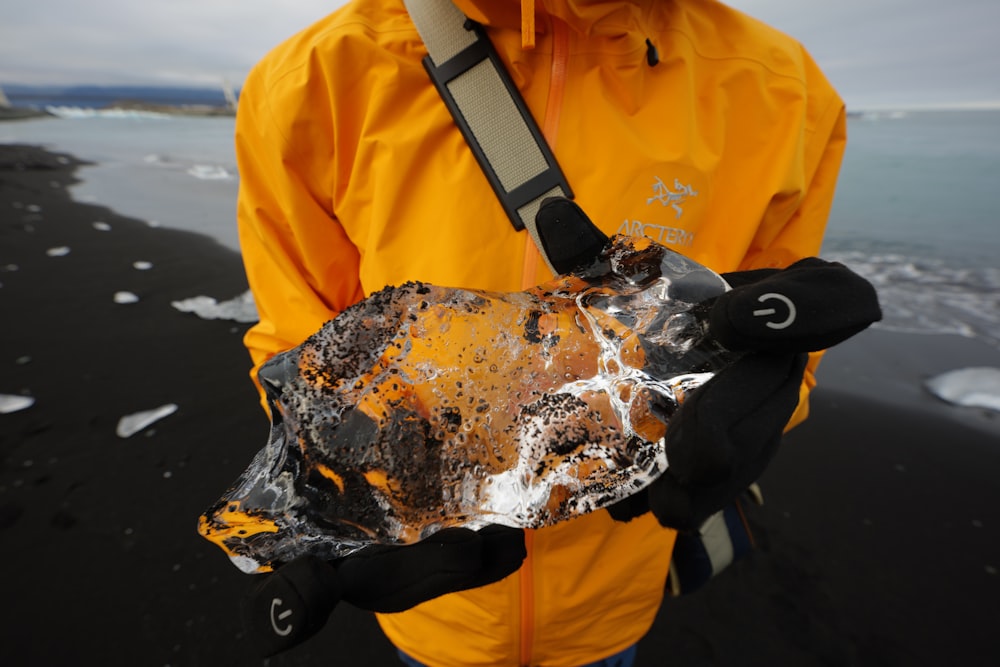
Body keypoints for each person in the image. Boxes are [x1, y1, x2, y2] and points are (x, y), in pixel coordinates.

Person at [234, 0, 849, 664]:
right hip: (437, 598)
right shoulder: (315, 81)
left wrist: (757, 407)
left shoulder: (784, 91)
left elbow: (778, 345)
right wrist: (339, 489)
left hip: (613, 586)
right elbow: (301, 348)